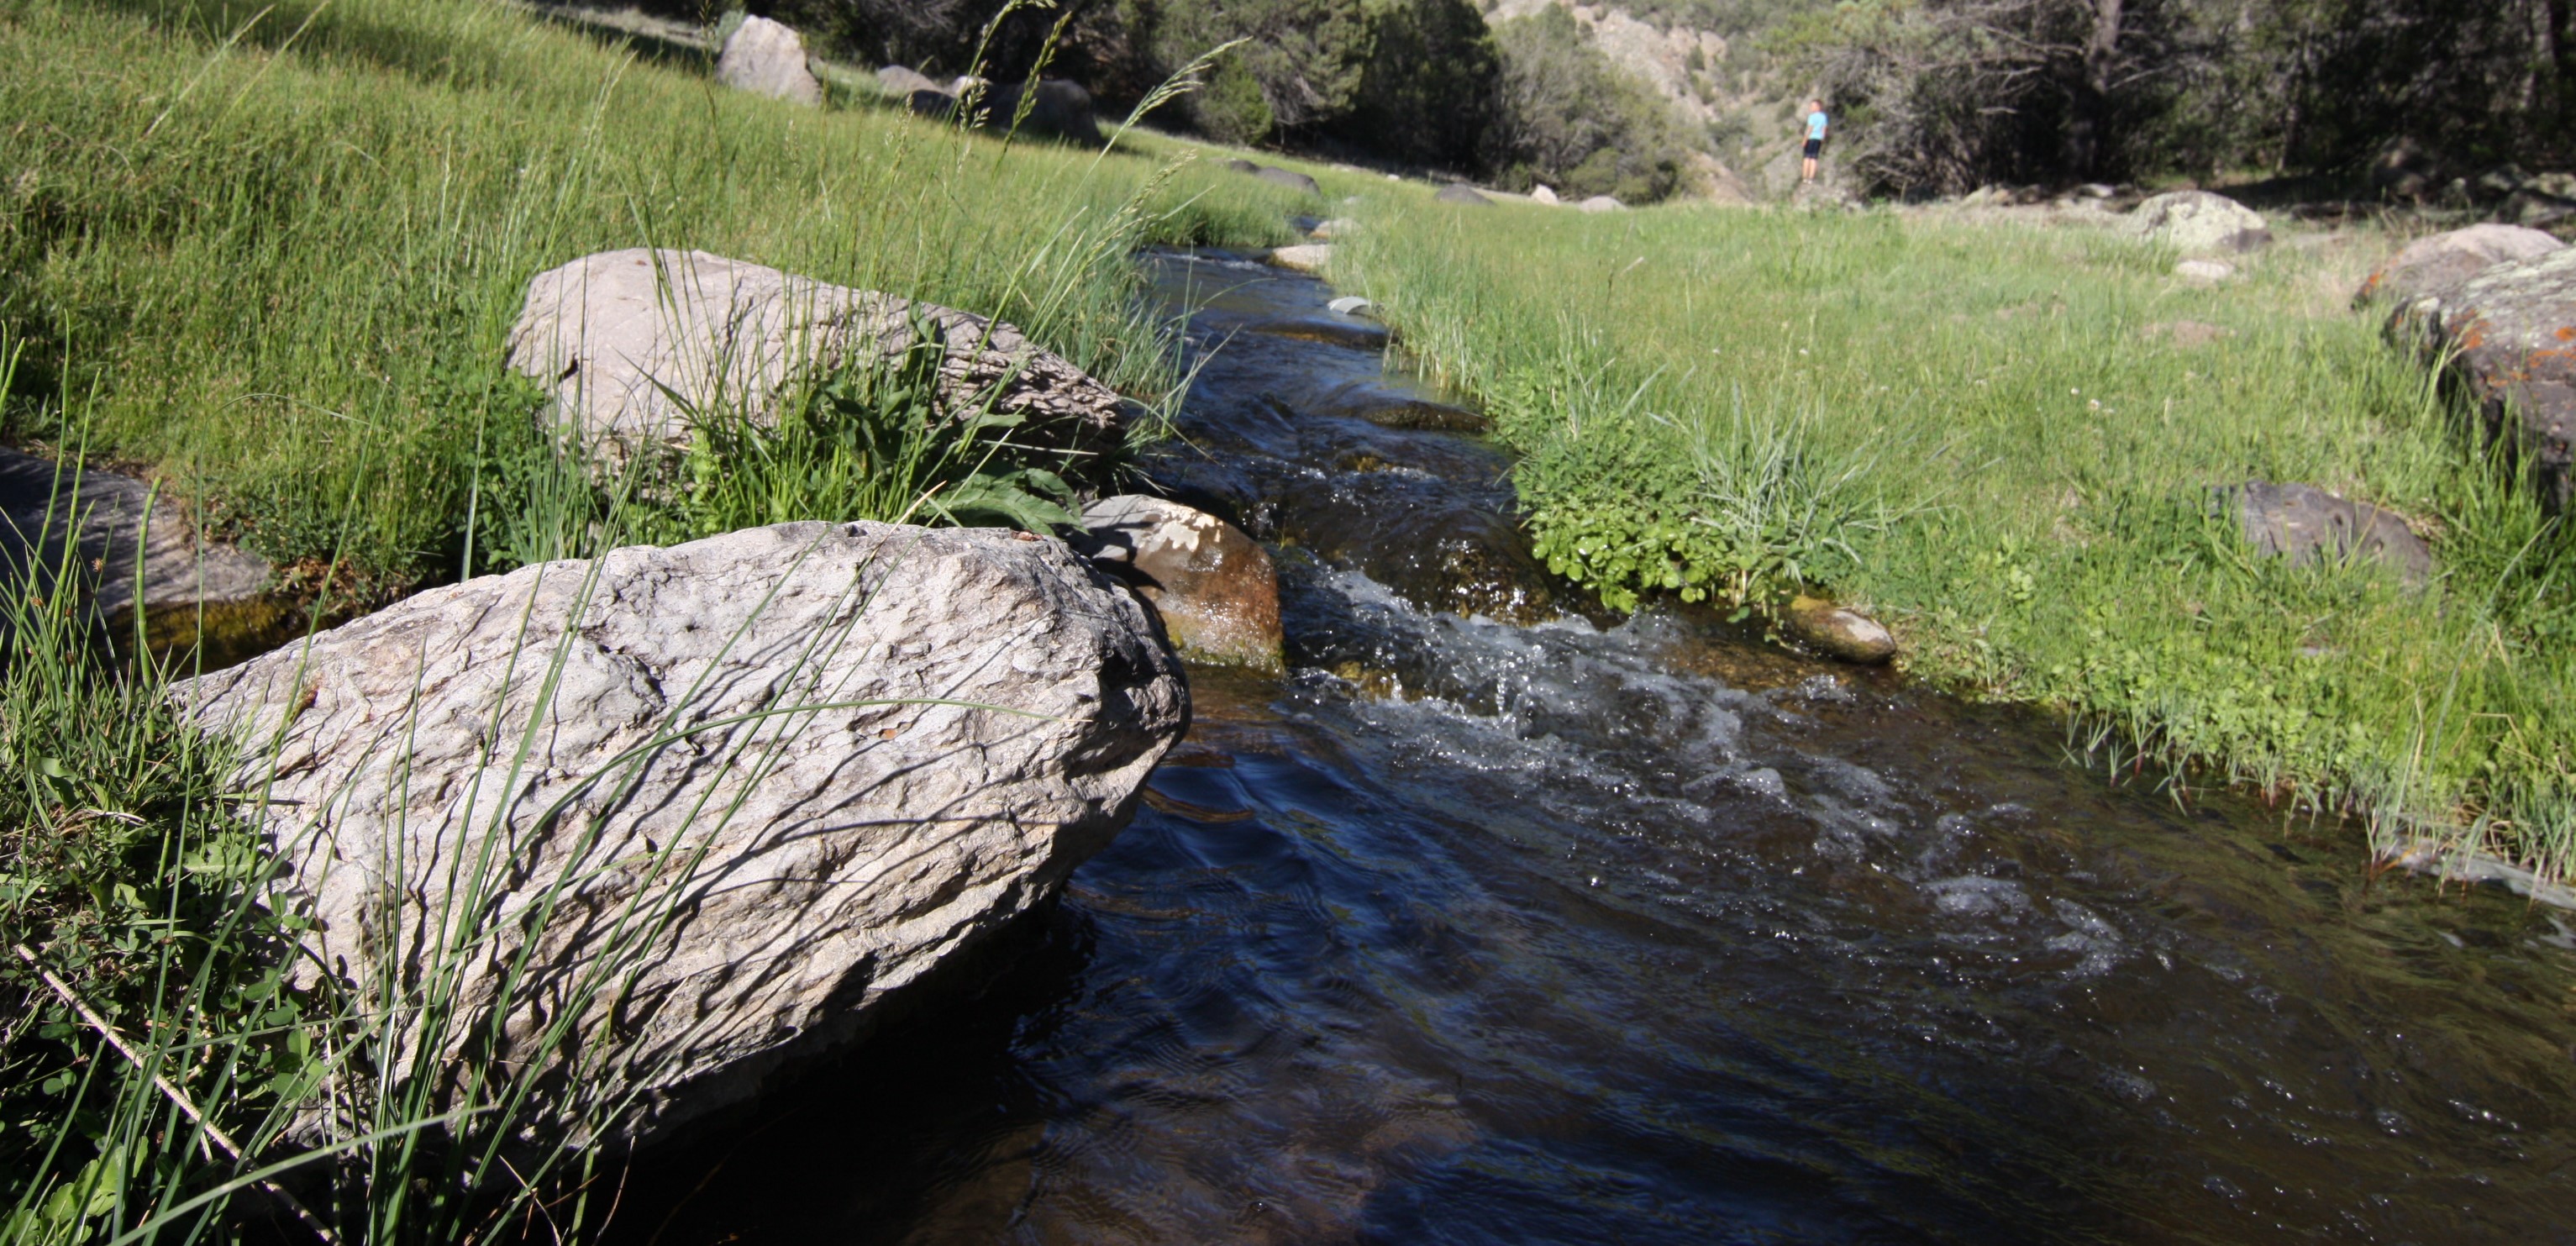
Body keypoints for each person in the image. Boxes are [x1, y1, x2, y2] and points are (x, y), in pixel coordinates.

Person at [1801, 98, 1828, 184]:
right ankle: (1811, 179)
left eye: (1812, 106)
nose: (1810, 107)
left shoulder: (1812, 117)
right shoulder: (1824, 117)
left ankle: (1805, 177)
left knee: (1807, 158)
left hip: (1811, 138)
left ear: (1818, 107)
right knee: (1814, 158)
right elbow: (1824, 129)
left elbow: (1809, 129)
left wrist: (1805, 139)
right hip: (1818, 139)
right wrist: (1822, 139)